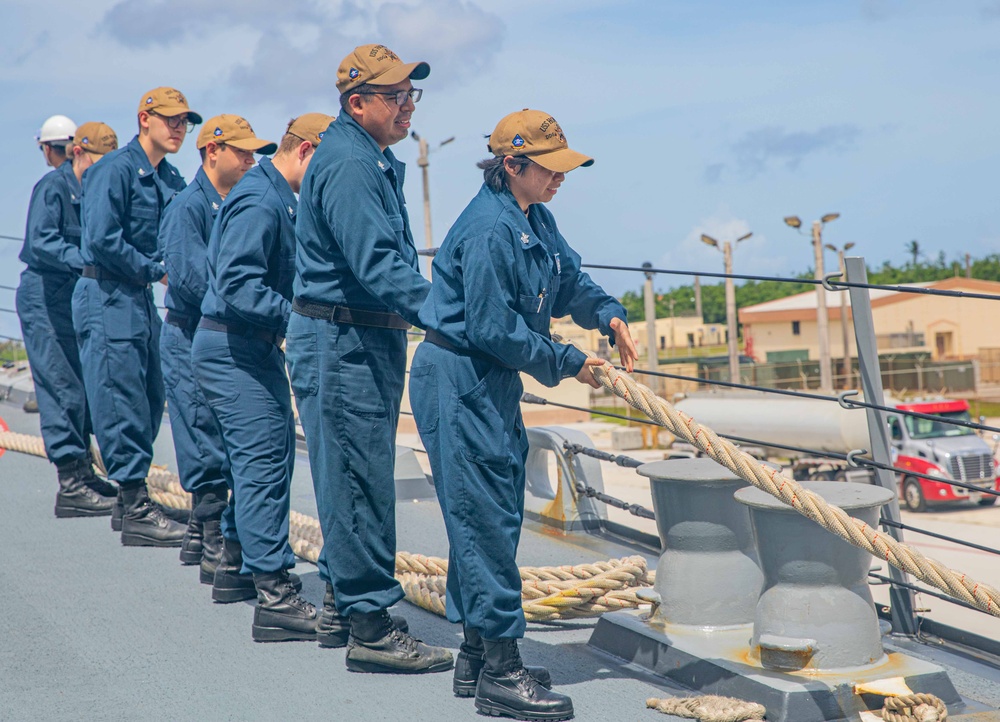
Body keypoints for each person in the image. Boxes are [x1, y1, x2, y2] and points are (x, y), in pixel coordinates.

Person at [409, 109, 638, 721]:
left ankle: (478, 655)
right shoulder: (489, 229)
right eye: (550, 168)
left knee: (495, 509)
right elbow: (490, 326)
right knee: (482, 516)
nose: (561, 178)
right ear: (512, 165)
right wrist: (568, 360)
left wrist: (606, 313)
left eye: (564, 168)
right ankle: (501, 674)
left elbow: (566, 281)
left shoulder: (534, 216)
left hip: (488, 380)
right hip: (460, 377)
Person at [286, 44, 451, 674]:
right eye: (396, 96)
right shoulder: (352, 163)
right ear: (359, 103)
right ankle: (372, 629)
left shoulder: (367, 157)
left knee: (351, 476)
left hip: (357, 337)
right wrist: (450, 319)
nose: (409, 105)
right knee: (357, 482)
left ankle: (339, 602)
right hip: (343, 340)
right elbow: (379, 265)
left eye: (413, 94)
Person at [191, 113, 332, 640]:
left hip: (245, 343)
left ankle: (234, 567)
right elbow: (235, 281)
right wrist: (296, 318)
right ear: (307, 152)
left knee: (259, 460)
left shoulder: (271, 195)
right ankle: (274, 595)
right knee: (263, 466)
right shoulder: (261, 199)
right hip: (235, 345)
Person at [72, 87, 201, 547]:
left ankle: (130, 503)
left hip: (138, 296)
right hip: (107, 293)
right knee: (119, 395)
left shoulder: (170, 177)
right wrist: (159, 270)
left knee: (149, 394)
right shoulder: (114, 170)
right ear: (144, 119)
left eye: (185, 122)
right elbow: (103, 238)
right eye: (171, 120)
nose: (179, 128)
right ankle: (134, 501)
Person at [159, 115, 276, 572]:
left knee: (219, 434)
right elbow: (190, 281)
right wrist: (244, 300)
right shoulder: (189, 206)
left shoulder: (229, 203)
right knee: (202, 431)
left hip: (211, 330)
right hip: (192, 330)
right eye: (242, 152)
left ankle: (202, 532)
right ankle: (209, 534)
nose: (251, 160)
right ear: (212, 151)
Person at [17, 119, 119, 517]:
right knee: (62, 388)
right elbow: (42, 242)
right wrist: (88, 262)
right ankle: (71, 483)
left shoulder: (93, 188)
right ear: (76, 151)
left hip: (72, 298)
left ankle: (85, 471)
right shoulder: (53, 187)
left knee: (82, 385)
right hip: (46, 298)